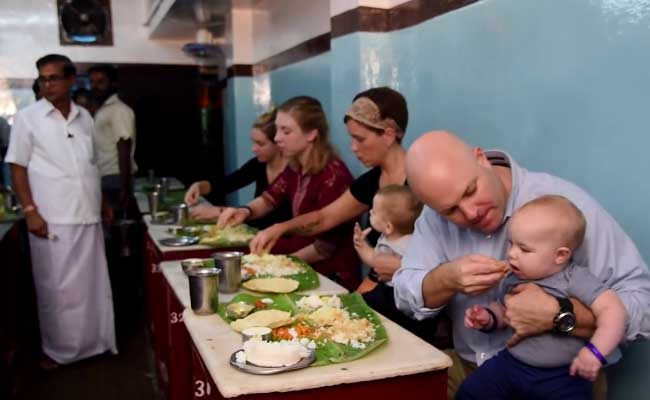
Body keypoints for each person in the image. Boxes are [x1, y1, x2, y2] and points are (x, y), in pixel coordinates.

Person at [393, 131, 650, 399]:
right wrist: (446, 280)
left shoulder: (564, 209)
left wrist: (559, 315)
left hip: (562, 377)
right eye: (451, 211)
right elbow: (404, 296)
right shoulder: (434, 216)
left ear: (481, 158)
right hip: (477, 370)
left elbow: (644, 307)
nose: (470, 212)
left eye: (471, 191)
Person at [248, 87, 449, 345]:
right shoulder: (370, 181)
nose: (353, 148)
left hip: (418, 307)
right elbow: (322, 219)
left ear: (388, 134)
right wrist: (279, 228)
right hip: (380, 290)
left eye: (360, 139)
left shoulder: (423, 184)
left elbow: (443, 260)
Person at [5, 54, 117, 367]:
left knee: (92, 286)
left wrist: (103, 203)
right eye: (43, 78)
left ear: (70, 80)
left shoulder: (85, 117)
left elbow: (90, 165)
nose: (47, 84)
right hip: (52, 218)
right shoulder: (29, 118)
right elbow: (17, 168)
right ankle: (59, 351)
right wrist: (30, 210)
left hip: (87, 215)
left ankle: (95, 344)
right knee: (57, 291)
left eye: (54, 78)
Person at [458, 195, 626, 400]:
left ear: (560, 256)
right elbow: (506, 314)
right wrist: (488, 318)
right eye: (510, 244)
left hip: (562, 376)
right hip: (511, 364)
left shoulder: (574, 278)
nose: (511, 254)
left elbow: (614, 312)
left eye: (524, 249)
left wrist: (595, 352)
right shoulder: (513, 277)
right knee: (471, 391)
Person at [217, 96, 360, 290]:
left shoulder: (333, 176)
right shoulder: (295, 167)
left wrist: (275, 267)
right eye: (277, 130)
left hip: (331, 274)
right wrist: (244, 211)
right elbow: (269, 199)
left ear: (311, 134)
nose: (277, 138)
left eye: (286, 131)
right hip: (302, 257)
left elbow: (325, 248)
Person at [185, 109, 291, 229]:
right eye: (253, 142)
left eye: (260, 144)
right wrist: (199, 186)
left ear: (278, 143)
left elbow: (275, 217)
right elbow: (228, 183)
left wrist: (220, 212)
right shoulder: (258, 164)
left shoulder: (293, 172)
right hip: (256, 234)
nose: (253, 149)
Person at [353, 185, 432, 332]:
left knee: (368, 306)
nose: (370, 212)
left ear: (388, 226)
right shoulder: (388, 238)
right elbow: (374, 261)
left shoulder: (406, 245)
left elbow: (375, 260)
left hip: (399, 295)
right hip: (388, 290)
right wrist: (361, 244)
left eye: (374, 212)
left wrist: (362, 247)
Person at [89, 64, 137, 214]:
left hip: (115, 179)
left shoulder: (119, 110)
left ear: (113, 84)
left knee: (115, 227)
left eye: (101, 82)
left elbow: (124, 146)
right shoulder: (104, 109)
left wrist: (124, 187)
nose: (95, 86)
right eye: (92, 82)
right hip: (105, 178)